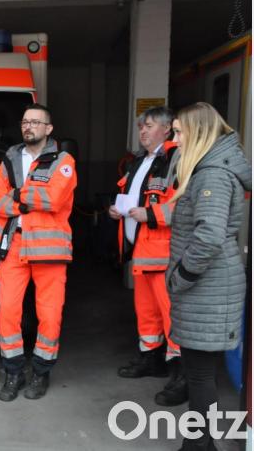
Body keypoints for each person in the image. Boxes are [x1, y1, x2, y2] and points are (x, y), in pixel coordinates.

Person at [166, 102, 251, 450]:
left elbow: (209, 236)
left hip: (207, 285)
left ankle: (200, 446)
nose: (175, 140)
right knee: (201, 372)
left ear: (198, 133)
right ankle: (198, 444)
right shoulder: (212, 167)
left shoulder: (212, 173)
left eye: (179, 132)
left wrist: (181, 276)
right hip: (212, 285)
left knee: (200, 374)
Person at [0, 103, 77, 401]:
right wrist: (25, 201)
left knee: (49, 316)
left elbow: (52, 199)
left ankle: (40, 372)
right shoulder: (10, 158)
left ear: (49, 129)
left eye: (36, 122)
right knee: (8, 312)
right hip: (13, 244)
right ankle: (13, 373)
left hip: (49, 249)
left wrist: (15, 195)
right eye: (25, 121)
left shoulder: (63, 161)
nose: (29, 126)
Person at [109, 106, 188, 406]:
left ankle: (182, 376)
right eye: (141, 126)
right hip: (141, 253)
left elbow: (182, 206)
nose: (142, 131)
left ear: (167, 130)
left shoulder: (176, 159)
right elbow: (131, 198)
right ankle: (151, 360)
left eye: (150, 126)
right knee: (147, 314)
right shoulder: (140, 161)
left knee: (172, 317)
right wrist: (115, 210)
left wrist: (149, 214)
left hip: (165, 254)